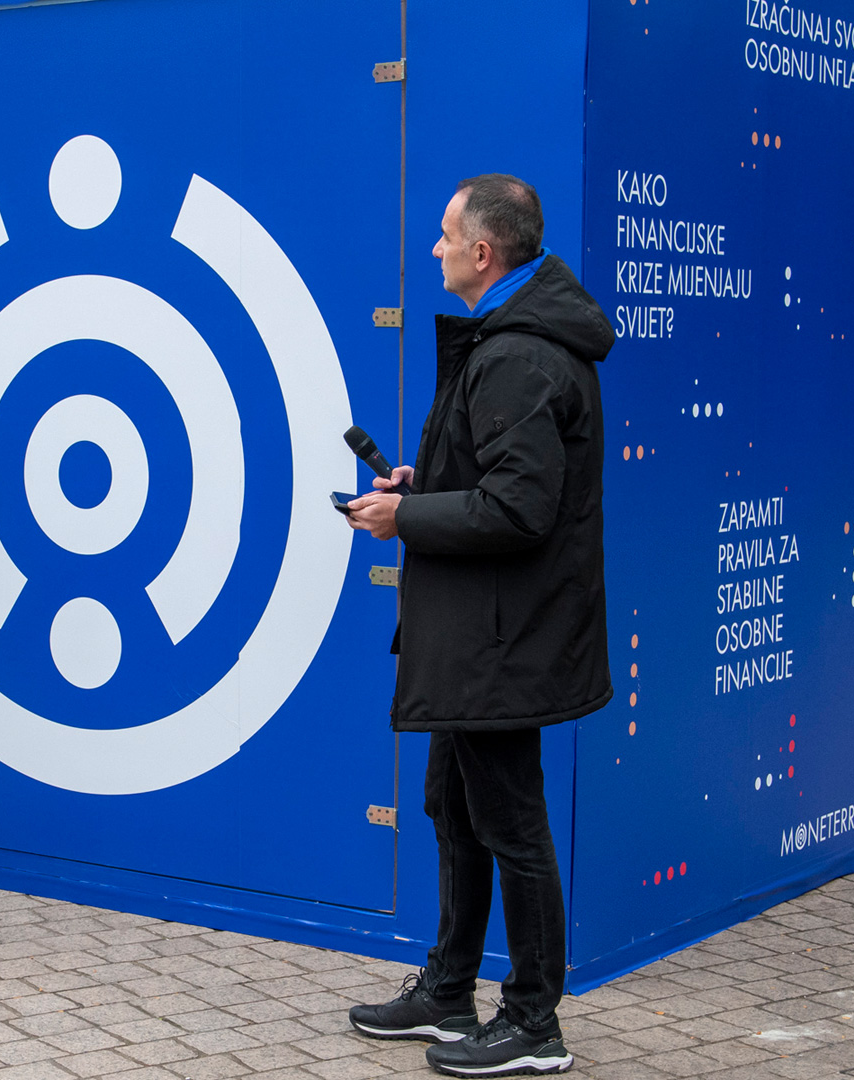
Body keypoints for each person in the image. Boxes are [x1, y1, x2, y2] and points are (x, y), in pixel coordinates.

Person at [343, 175, 613, 1077]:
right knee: (453, 808)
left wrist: (405, 518)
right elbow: (501, 478)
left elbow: (520, 510)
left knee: (510, 823)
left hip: (504, 641)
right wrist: (423, 485)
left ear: (484, 253)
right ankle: (450, 992)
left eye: (447, 235)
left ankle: (534, 1024)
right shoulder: (509, 340)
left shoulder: (516, 356)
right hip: (481, 635)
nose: (436, 249)